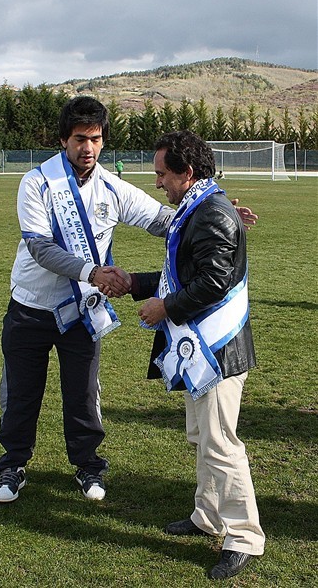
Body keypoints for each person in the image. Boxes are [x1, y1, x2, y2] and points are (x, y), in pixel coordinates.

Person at [0, 97, 258, 505]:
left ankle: (87, 466)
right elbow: (39, 247)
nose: (88, 148)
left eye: (96, 139)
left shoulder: (110, 186)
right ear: (64, 139)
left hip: (82, 312)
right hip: (32, 307)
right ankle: (13, 465)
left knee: (83, 394)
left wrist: (211, 211)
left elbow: (163, 220)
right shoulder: (38, 183)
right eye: (80, 139)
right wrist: (91, 273)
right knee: (22, 393)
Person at [127, 130, 265, 580]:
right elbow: (180, 274)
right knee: (201, 437)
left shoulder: (211, 213)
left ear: (187, 173)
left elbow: (212, 284)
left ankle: (244, 536)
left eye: (162, 175)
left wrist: (163, 307)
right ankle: (207, 515)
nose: (158, 183)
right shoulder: (199, 207)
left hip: (217, 352)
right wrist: (133, 283)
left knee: (221, 444)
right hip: (202, 351)